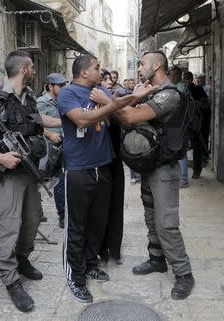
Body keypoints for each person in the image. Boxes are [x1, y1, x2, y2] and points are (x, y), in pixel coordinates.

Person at [91, 51, 195, 300]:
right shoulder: (154, 92)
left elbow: (130, 117)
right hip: (150, 165)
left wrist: (106, 100)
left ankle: (183, 274)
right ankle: (157, 260)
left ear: (157, 65)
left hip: (164, 168)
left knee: (166, 223)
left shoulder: (169, 95)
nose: (139, 67)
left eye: (143, 63)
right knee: (150, 217)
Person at [0, 50, 61, 312]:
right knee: (9, 227)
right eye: (31, 67)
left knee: (32, 220)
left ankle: (22, 259)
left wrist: (65, 120)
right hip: (9, 174)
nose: (33, 71)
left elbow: (37, 121)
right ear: (22, 70)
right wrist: (1, 157)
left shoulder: (28, 97)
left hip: (29, 172)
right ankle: (10, 279)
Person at [58, 54, 155, 303]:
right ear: (83, 72)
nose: (101, 72)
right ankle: (75, 277)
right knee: (77, 226)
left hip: (103, 167)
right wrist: (111, 105)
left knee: (97, 223)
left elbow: (120, 106)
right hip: (79, 169)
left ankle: (90, 263)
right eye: (96, 68)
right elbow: (81, 119)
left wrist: (137, 96)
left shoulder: (100, 90)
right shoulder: (68, 94)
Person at [97, 68, 125, 265]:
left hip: (114, 161)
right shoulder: (94, 101)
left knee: (114, 206)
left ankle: (113, 248)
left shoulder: (114, 100)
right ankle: (100, 249)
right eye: (104, 78)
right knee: (100, 208)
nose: (108, 82)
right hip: (100, 162)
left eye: (110, 79)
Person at [36, 73, 67, 228]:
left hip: (63, 145)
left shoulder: (61, 101)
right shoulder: (41, 102)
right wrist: (50, 134)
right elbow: (35, 124)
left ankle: (63, 214)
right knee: (45, 180)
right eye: (60, 86)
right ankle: (37, 213)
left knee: (60, 180)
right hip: (47, 148)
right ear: (50, 87)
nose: (63, 88)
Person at [182, 71, 208, 179]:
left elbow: (206, 103)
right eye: (185, 78)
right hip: (183, 123)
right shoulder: (181, 90)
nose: (186, 80)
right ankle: (182, 174)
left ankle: (197, 170)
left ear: (191, 79)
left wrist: (198, 105)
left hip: (194, 123)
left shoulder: (198, 89)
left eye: (188, 78)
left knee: (197, 147)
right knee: (182, 147)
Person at [169, 66, 189, 188]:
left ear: (177, 75)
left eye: (172, 75)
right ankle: (181, 177)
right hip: (178, 123)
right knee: (177, 149)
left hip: (179, 124)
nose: (171, 77)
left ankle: (183, 178)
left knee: (180, 150)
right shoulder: (179, 86)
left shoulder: (180, 87)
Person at [195, 72, 211, 165]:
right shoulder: (197, 88)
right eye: (197, 78)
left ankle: (205, 154)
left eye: (199, 79)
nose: (197, 80)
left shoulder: (207, 88)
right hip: (199, 114)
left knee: (204, 134)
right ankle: (201, 153)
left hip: (205, 114)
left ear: (203, 79)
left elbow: (206, 101)